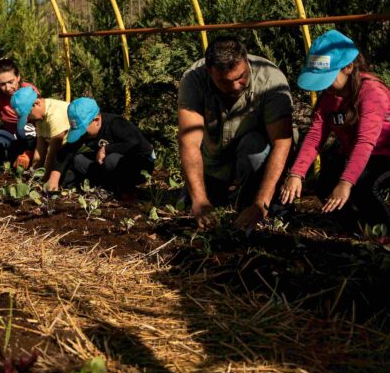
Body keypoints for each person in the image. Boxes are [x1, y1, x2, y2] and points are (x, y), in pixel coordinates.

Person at [177, 35, 293, 231]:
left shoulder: (270, 79)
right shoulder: (193, 80)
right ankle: (219, 192)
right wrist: (200, 200)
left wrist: (261, 204)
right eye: (224, 81)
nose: (235, 86)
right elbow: (189, 141)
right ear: (209, 72)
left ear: (246, 61)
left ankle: (252, 199)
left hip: (254, 160)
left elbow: (282, 143)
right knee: (195, 202)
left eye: (240, 77)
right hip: (215, 162)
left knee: (254, 145)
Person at [280, 30, 389, 221]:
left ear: (348, 67)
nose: (324, 86)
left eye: (328, 77)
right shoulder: (329, 97)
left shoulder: (371, 92)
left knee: (363, 187)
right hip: (356, 153)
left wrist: (346, 182)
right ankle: (356, 226)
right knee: (324, 186)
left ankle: (383, 231)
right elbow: (315, 136)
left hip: (384, 153)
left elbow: (365, 142)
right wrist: (296, 173)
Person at [46, 97, 155, 198]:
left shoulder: (116, 123)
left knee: (111, 159)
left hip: (140, 165)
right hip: (109, 167)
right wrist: (54, 177)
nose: (82, 134)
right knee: (78, 160)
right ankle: (106, 186)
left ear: (96, 120)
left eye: (83, 130)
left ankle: (126, 190)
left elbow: (134, 143)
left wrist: (106, 149)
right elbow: (66, 151)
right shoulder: (86, 130)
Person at [10, 86, 70, 179]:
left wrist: (43, 179)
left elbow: (52, 154)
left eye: (28, 114)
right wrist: (33, 173)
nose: (28, 118)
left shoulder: (55, 115)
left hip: (72, 152)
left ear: (37, 103)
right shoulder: (40, 116)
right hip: (61, 153)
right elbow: (40, 149)